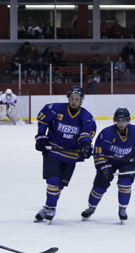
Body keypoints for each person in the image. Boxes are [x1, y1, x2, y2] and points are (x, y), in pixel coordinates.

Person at [80, 107, 135, 222]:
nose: (121, 123)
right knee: (100, 185)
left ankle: (123, 208)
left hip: (129, 161)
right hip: (109, 161)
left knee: (125, 183)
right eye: (119, 120)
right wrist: (103, 165)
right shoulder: (106, 133)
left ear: (128, 120)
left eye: (124, 120)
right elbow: (99, 152)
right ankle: (91, 207)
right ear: (115, 120)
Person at [33, 86, 97, 223]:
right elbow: (43, 121)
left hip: (71, 155)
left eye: (77, 99)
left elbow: (86, 133)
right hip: (53, 150)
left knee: (60, 186)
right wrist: (40, 136)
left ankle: (47, 207)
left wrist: (86, 145)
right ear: (68, 98)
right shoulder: (55, 109)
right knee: (53, 181)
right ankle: (52, 207)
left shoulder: (86, 117)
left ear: (81, 101)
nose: (74, 101)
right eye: (72, 98)